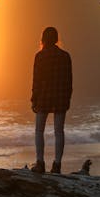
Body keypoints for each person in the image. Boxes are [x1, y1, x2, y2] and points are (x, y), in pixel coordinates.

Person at [30, 26, 72, 173]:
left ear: (43, 39)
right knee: (59, 131)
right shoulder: (65, 56)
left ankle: (40, 163)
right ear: (56, 39)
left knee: (39, 131)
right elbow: (69, 81)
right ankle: (57, 165)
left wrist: (33, 99)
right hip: (60, 97)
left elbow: (36, 81)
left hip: (43, 97)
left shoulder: (40, 56)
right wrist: (68, 99)